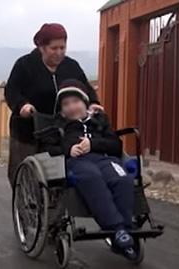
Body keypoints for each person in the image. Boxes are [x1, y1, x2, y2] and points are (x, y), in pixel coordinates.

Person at [4, 23, 103, 189]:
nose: (59, 53)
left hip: (61, 127)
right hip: (28, 128)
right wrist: (22, 105)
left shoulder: (71, 66)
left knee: (56, 172)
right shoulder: (25, 65)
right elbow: (11, 91)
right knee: (24, 172)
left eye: (62, 48)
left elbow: (85, 87)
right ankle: (24, 203)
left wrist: (93, 103)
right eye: (54, 48)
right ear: (42, 48)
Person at [51, 79, 137, 259]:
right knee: (92, 177)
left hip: (104, 158)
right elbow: (50, 148)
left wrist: (93, 144)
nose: (72, 107)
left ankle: (124, 231)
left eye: (76, 101)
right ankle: (118, 230)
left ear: (85, 103)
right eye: (66, 104)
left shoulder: (99, 121)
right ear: (61, 110)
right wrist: (68, 150)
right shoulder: (60, 125)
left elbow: (115, 145)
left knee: (123, 178)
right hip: (79, 163)